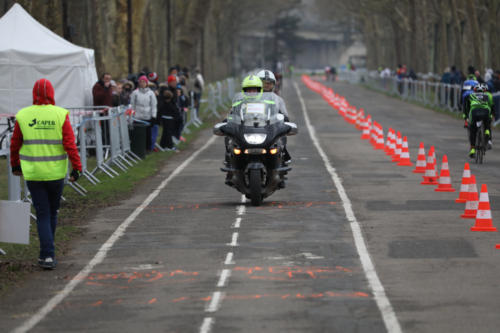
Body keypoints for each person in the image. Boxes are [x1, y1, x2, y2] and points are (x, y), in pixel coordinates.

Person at [10, 79, 82, 270]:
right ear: (52, 93)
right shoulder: (60, 114)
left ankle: (47, 254)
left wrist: (15, 165)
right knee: (52, 212)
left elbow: (15, 144)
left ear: (34, 94)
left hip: (33, 173)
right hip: (56, 173)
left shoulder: (23, 115)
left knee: (42, 213)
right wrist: (77, 167)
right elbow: (70, 143)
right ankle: (48, 253)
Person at [256, 69, 292, 165]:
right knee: (233, 139)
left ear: (274, 84)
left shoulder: (278, 99)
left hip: (270, 128)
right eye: (264, 83)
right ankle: (231, 161)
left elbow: (285, 115)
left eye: (269, 83)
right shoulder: (250, 97)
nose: (267, 85)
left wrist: (284, 119)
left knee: (281, 136)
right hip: (253, 127)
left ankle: (283, 154)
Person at [130, 75, 157, 153]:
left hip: (147, 117)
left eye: (144, 82)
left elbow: (154, 105)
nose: (142, 83)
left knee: (148, 134)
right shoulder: (135, 93)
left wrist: (153, 116)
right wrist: (132, 116)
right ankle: (138, 149)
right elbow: (132, 105)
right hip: (137, 117)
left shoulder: (151, 93)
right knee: (138, 135)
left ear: (146, 83)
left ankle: (148, 149)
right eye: (140, 82)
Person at [468, 83, 494, 158]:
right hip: (485, 111)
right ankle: (487, 131)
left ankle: (472, 149)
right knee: (487, 120)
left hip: (475, 112)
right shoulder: (488, 95)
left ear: (474, 90)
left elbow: (467, 107)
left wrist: (466, 117)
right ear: (484, 90)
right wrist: (491, 115)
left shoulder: (471, 95)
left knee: (473, 130)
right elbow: (491, 106)